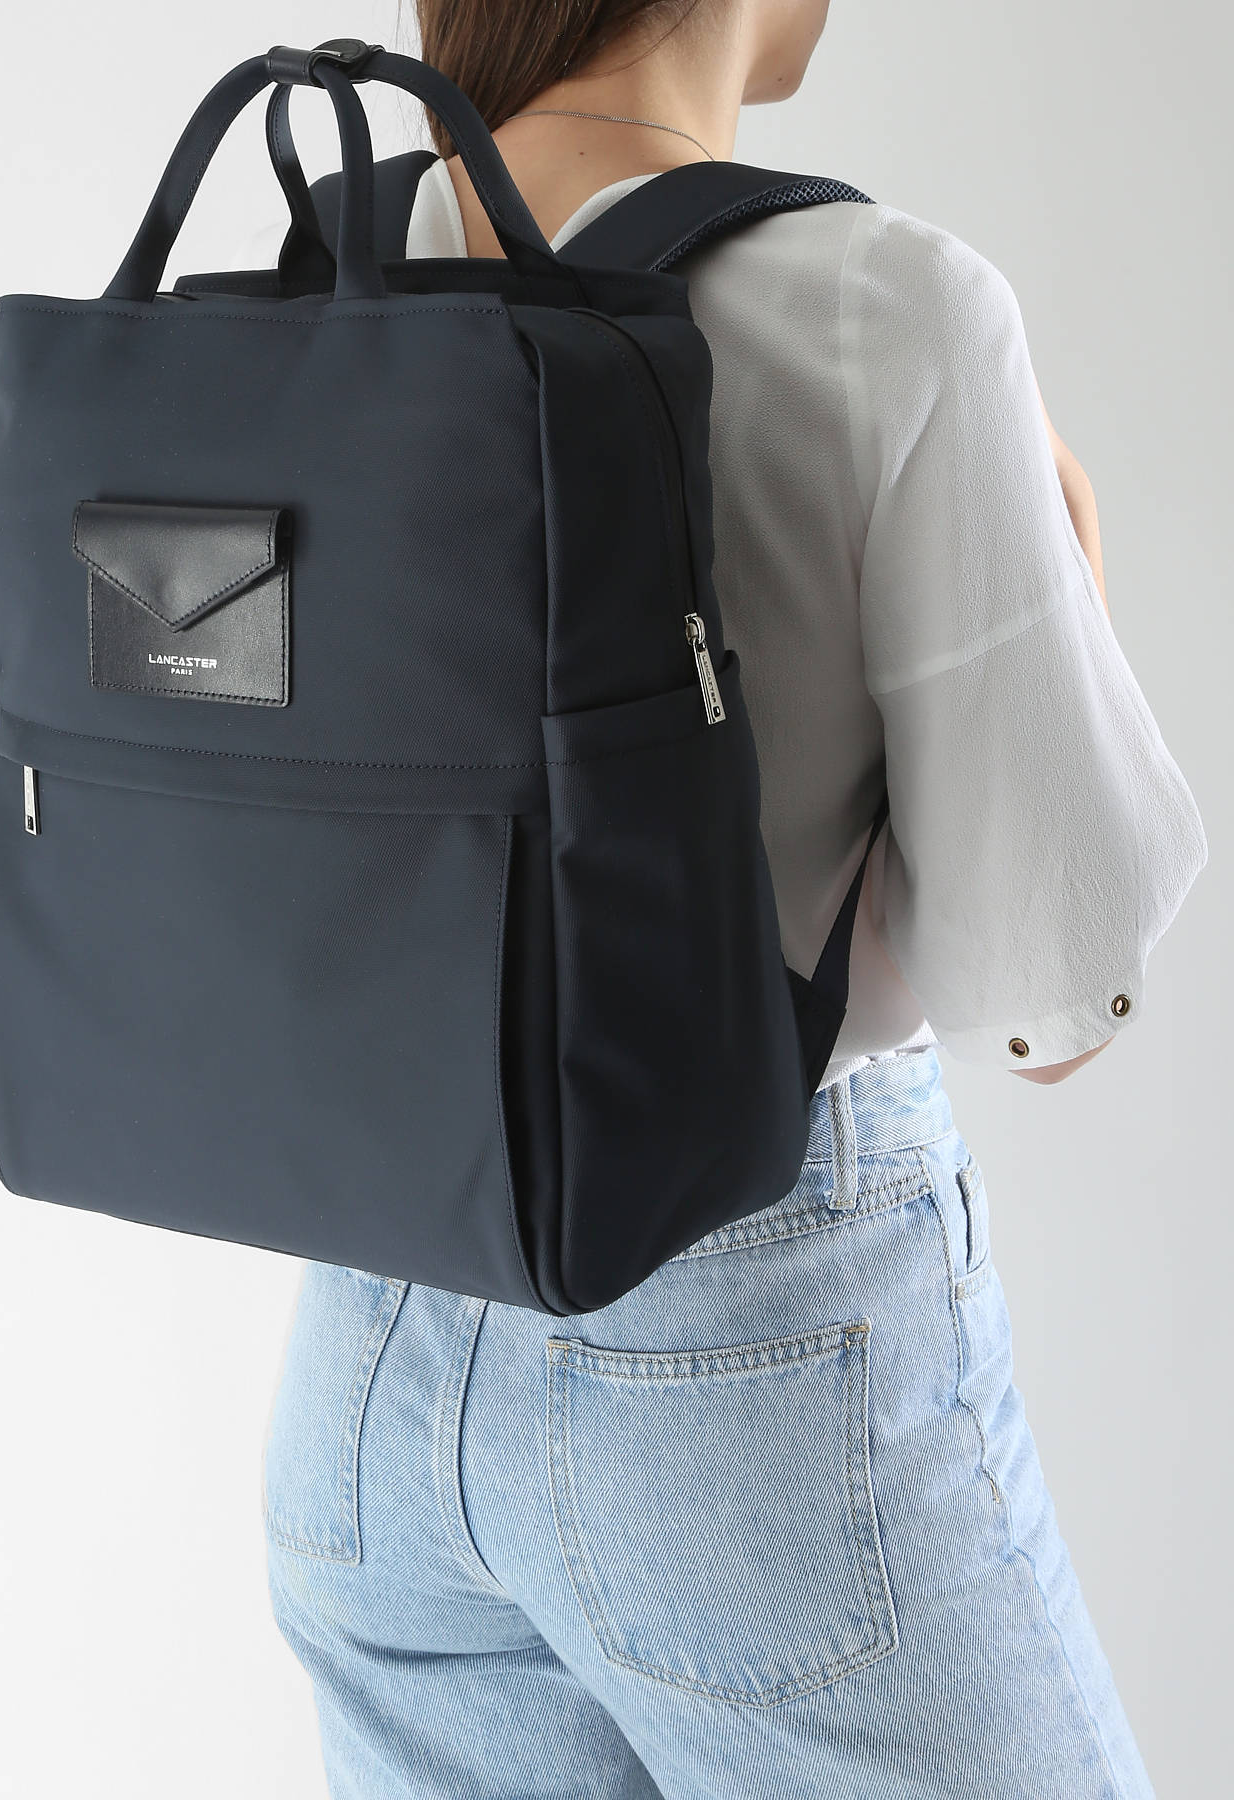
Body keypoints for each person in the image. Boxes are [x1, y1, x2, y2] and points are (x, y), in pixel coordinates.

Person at [262, 4, 1208, 1795]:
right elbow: (1052, 996)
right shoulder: (883, 305)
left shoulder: (334, 254)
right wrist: (1067, 542)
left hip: (372, 1354)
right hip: (757, 1364)